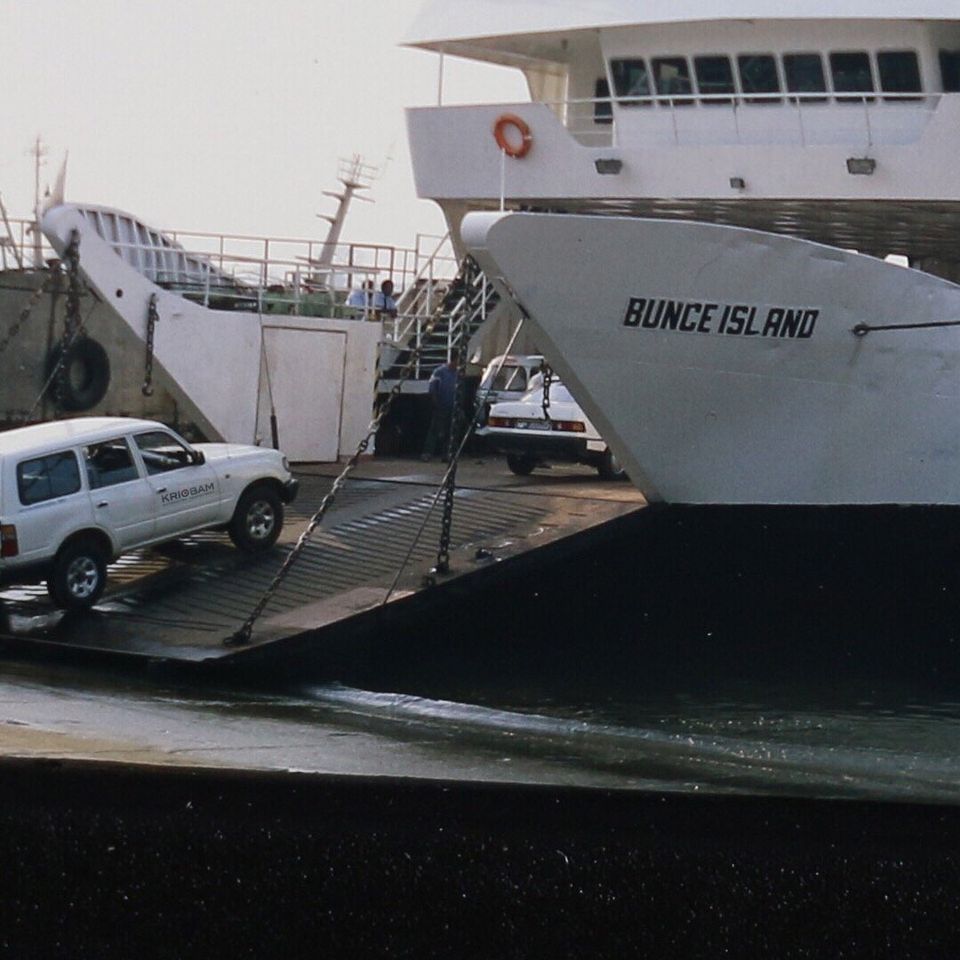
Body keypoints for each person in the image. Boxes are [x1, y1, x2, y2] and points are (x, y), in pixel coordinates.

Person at [421, 349, 460, 462]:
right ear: (454, 359)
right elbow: (433, 388)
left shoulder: (458, 374)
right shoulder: (439, 372)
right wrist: (436, 403)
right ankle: (427, 453)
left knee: (450, 431)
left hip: (453, 406)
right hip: (441, 404)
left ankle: (446, 454)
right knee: (435, 429)